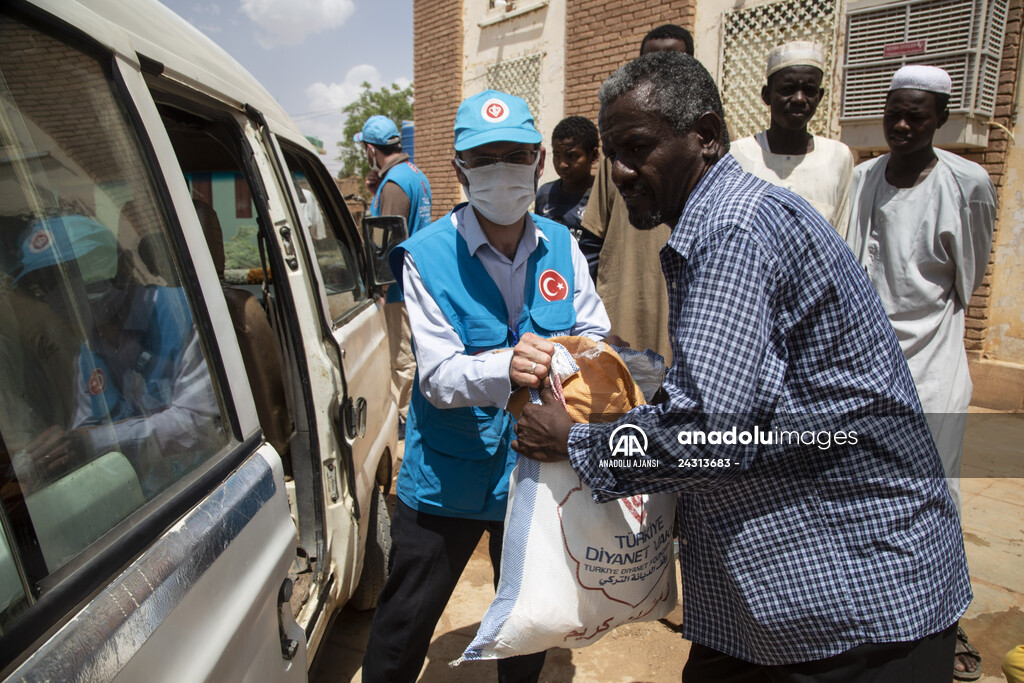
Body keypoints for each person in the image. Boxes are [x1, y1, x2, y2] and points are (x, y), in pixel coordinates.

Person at [512, 51, 971, 681]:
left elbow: (713, 436)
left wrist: (577, 441)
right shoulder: (727, 217)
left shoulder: (731, 230)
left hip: (853, 595)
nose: (618, 171)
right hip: (791, 586)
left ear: (704, 136)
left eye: (637, 148)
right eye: (611, 153)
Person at [360, 90, 611, 683]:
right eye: (484, 158)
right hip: (447, 479)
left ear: (538, 162)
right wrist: (507, 366)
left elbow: (593, 335)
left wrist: (566, 360)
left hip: (537, 473)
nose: (502, 171)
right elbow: (438, 377)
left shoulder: (562, 245)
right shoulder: (424, 256)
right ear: (459, 169)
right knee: (404, 623)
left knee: (526, 621)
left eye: (515, 155)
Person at [845, 64, 996, 681]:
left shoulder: (968, 182)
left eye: (918, 116)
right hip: (867, 364)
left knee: (936, 494)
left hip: (933, 364)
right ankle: (872, 610)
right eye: (895, 114)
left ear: (941, 119)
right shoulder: (863, 178)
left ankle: (943, 621)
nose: (903, 125)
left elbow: (969, 277)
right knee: (864, 491)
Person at [10, 215, 220, 498]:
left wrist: (91, 444)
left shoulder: (185, 314)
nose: (63, 294)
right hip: (138, 499)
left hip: (203, 488)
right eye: (47, 286)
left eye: (79, 273)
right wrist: (56, 452)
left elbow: (196, 424)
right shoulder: (88, 353)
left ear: (123, 267)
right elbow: (86, 429)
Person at [581, 23, 694, 363]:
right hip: (622, 312)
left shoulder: (702, 143)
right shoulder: (618, 145)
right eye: (650, 64)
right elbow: (593, 238)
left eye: (672, 63)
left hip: (685, 313)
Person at [730, 41, 854, 236]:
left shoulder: (837, 157)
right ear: (766, 95)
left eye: (809, 90)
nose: (799, 98)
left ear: (820, 96)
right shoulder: (737, 155)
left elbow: (841, 233)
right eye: (788, 89)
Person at [355, 114, 432, 423]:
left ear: (371, 150)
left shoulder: (393, 185)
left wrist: (383, 287)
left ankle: (405, 425)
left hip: (398, 289)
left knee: (402, 361)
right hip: (416, 281)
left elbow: (387, 243)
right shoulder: (414, 174)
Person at [535, 115, 602, 281]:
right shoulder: (545, 194)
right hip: (552, 285)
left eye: (572, 156)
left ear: (593, 155)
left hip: (592, 288)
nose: (562, 164)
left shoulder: (602, 196)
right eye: (557, 155)